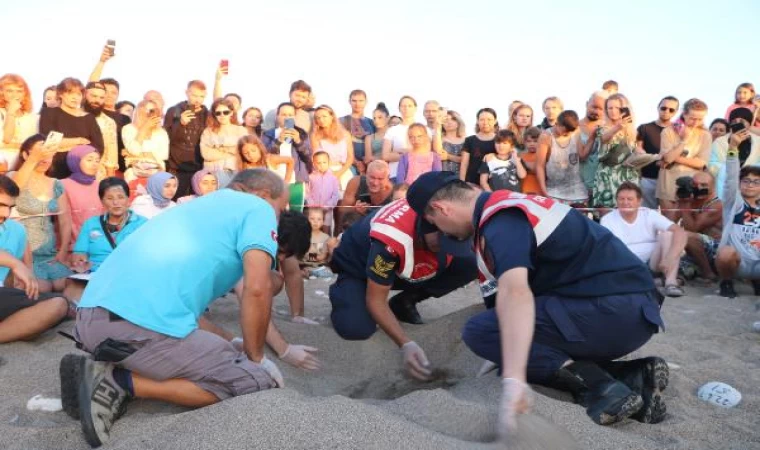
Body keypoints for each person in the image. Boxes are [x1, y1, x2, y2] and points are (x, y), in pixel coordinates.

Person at [59, 170, 314, 447]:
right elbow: (257, 288)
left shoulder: (193, 210)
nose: (279, 215)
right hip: (133, 326)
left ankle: (114, 367)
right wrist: (256, 357)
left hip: (92, 319)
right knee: (253, 379)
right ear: (264, 195)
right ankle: (119, 381)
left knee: (224, 351)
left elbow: (185, 316)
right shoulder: (257, 207)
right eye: (281, 207)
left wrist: (233, 341)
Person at [407, 172, 668, 433]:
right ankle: (631, 376)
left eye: (435, 224)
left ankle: (599, 387)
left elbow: (516, 293)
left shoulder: (500, 220)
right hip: (637, 312)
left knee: (480, 331)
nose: (442, 233)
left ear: (441, 209)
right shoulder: (512, 203)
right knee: (507, 342)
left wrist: (514, 378)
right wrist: (502, 352)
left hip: (613, 310)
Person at [328, 195, 478, 377]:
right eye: (443, 239)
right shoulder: (390, 240)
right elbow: (376, 300)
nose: (446, 244)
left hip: (404, 262)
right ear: (429, 223)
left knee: (469, 263)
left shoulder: (445, 216)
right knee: (355, 327)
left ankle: (405, 301)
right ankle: (344, 292)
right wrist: (406, 343)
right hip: (359, 268)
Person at [0, 175, 69, 343]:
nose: (6, 213)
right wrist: (14, 263)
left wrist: (21, 283)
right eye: (1, 205)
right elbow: (15, 264)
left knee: (58, 304)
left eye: (10, 207)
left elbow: (23, 274)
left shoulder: (16, 230)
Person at [64, 177, 148, 302]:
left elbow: (148, 256)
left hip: (129, 275)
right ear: (102, 201)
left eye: (120, 197)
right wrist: (79, 261)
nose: (116, 202)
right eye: (110, 198)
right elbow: (79, 253)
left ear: (128, 199)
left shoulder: (142, 224)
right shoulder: (91, 224)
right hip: (95, 275)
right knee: (70, 292)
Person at [601, 182, 687, 296]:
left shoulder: (649, 214)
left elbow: (680, 231)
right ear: (616, 201)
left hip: (653, 263)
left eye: (630, 199)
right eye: (621, 199)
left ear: (639, 201)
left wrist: (670, 257)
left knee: (668, 234)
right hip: (626, 266)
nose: (625, 202)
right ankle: (651, 282)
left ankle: (670, 283)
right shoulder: (607, 219)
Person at [11, 135, 73, 292]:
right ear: (26, 155)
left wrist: (63, 250)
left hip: (50, 255)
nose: (46, 158)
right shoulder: (13, 177)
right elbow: (14, 188)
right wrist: (34, 158)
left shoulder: (56, 184)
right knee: (41, 289)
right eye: (41, 153)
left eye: (50, 154)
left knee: (68, 284)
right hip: (23, 255)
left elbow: (65, 220)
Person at [714, 134, 760, 298]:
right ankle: (726, 281)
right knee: (725, 253)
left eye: (756, 182)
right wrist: (733, 148)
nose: (750, 184)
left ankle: (757, 281)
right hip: (737, 262)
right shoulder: (734, 202)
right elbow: (731, 177)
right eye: (746, 181)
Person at [656, 99, 712, 221]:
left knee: (689, 225)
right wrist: (684, 141)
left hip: (692, 185)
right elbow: (668, 158)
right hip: (668, 183)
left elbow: (701, 163)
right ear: (684, 114)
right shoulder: (668, 131)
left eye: (700, 119)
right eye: (692, 118)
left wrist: (672, 157)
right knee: (668, 223)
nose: (696, 122)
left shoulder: (705, 135)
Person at [39, 78, 104, 179]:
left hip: (82, 169)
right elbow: (48, 142)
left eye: (78, 94)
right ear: (60, 94)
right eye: (70, 93)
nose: (75, 98)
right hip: (56, 168)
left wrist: (63, 145)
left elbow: (98, 147)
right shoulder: (49, 113)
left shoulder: (89, 118)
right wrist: (78, 141)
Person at [592, 94, 641, 208]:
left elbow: (634, 151)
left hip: (628, 177)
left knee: (628, 216)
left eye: (617, 108)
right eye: (610, 108)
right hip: (607, 178)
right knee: (605, 220)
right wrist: (618, 127)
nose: (613, 111)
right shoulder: (602, 128)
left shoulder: (632, 131)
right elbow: (603, 139)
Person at [164, 80, 208, 199]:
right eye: (194, 95)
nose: (197, 99)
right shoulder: (174, 111)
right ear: (187, 93)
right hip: (176, 168)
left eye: (202, 96)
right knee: (175, 203)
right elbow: (165, 138)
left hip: (199, 169)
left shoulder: (207, 115)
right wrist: (180, 124)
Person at [635, 97, 679, 209]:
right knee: (647, 215)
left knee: (668, 219)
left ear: (676, 112)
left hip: (670, 180)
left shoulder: (678, 131)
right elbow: (638, 148)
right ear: (658, 108)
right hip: (648, 178)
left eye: (671, 110)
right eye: (663, 108)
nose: (666, 111)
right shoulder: (644, 128)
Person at [536, 110, 588, 205]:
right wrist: (544, 192)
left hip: (577, 191)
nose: (565, 134)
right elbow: (540, 165)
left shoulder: (576, 132)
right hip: (553, 191)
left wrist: (592, 138)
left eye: (568, 133)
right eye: (564, 132)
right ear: (557, 124)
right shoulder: (546, 136)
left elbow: (582, 155)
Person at [679, 171, 723, 281]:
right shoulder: (692, 200)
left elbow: (692, 229)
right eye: (695, 185)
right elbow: (668, 222)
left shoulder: (716, 205)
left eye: (704, 185)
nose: (698, 188)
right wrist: (680, 198)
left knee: (687, 235)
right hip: (696, 251)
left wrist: (685, 206)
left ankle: (708, 273)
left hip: (718, 250)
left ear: (713, 187)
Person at [709, 107, 760, 199]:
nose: (737, 123)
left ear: (749, 124)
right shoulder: (720, 142)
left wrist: (748, 173)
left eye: (742, 120)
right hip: (727, 185)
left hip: (752, 186)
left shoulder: (758, 142)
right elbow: (713, 163)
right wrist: (732, 172)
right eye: (734, 121)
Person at [200, 99, 248, 187]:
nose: (222, 115)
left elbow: (243, 151)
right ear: (214, 115)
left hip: (235, 173)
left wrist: (218, 148)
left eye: (225, 112)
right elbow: (206, 154)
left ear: (231, 112)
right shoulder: (208, 131)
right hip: (213, 175)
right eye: (218, 113)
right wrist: (231, 151)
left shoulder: (241, 130)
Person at [61, 145, 104, 243]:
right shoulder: (63, 185)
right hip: (74, 247)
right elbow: (63, 221)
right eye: (89, 160)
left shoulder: (100, 185)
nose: (94, 164)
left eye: (97, 161)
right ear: (75, 161)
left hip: (98, 244)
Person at [261, 102, 312, 183]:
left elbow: (308, 157)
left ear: (294, 117)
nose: (287, 117)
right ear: (277, 116)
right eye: (283, 114)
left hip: (297, 179)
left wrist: (298, 141)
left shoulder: (302, 133)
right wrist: (278, 141)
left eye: (290, 115)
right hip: (273, 179)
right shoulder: (268, 134)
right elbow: (263, 156)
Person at [121, 99, 168, 183]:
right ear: (140, 111)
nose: (150, 114)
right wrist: (144, 129)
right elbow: (134, 150)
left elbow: (163, 155)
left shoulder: (161, 132)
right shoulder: (128, 129)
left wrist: (140, 154)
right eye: (149, 110)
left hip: (156, 173)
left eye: (154, 110)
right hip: (134, 174)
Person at [0, 74, 39, 172]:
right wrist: (11, 113)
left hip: (24, 164)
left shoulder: (31, 117)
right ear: (2, 93)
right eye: (9, 91)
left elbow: (32, 144)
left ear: (25, 93)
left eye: (19, 91)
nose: (15, 95)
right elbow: (7, 138)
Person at [311, 105, 354, 191]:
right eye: (318, 118)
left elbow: (350, 157)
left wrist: (339, 173)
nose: (321, 120)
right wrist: (329, 174)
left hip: (343, 170)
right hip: (324, 171)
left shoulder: (345, 134)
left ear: (332, 117)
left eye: (324, 116)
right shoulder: (315, 136)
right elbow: (315, 158)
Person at [83, 82, 118, 177]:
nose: (97, 100)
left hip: (98, 173)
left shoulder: (109, 122)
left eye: (101, 98)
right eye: (93, 96)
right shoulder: (73, 116)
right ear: (84, 95)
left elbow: (111, 154)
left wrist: (110, 180)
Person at [381, 96, 419, 181]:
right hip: (395, 174)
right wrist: (413, 152)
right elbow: (385, 156)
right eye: (403, 106)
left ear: (415, 108)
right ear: (399, 108)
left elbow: (427, 153)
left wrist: (401, 153)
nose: (406, 108)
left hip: (419, 175)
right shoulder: (392, 130)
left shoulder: (424, 129)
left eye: (409, 106)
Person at [578, 91, 608, 195]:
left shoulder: (608, 129)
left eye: (601, 109)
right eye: (594, 107)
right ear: (587, 104)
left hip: (602, 186)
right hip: (577, 185)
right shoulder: (575, 127)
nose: (596, 111)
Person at [460, 108, 498, 184]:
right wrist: (462, 183)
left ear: (495, 121)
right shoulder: (470, 140)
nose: (485, 122)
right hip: (472, 182)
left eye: (489, 119)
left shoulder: (500, 140)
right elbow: (464, 164)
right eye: (482, 119)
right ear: (477, 121)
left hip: (495, 182)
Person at [340, 90, 374, 174]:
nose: (357, 104)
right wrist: (356, 163)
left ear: (366, 102)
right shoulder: (341, 121)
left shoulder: (372, 122)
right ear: (349, 102)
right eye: (354, 101)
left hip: (369, 166)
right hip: (348, 165)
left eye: (361, 101)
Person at [306, 151, 340, 232]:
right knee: (313, 229)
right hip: (314, 209)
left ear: (329, 163)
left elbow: (335, 195)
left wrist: (326, 207)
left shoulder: (333, 178)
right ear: (314, 164)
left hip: (327, 210)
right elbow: (307, 193)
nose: (322, 165)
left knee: (326, 229)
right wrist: (313, 205)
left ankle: (326, 244)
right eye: (319, 163)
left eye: (324, 162)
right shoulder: (310, 177)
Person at [300, 208, 336, 275]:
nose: (315, 222)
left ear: (323, 222)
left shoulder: (325, 237)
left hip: (321, 266)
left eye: (319, 219)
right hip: (305, 266)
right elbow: (301, 254)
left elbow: (323, 256)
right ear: (307, 220)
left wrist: (309, 256)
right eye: (312, 219)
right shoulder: (303, 236)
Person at [440, 110, 466, 175]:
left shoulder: (466, 140)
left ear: (458, 121)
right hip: (443, 179)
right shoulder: (439, 140)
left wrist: (448, 156)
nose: (449, 122)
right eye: (446, 120)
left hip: (462, 179)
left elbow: (467, 161)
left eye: (453, 119)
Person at [520, 127, 541, 195]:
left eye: (535, 141)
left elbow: (539, 170)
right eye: (529, 141)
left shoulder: (542, 155)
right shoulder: (521, 155)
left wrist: (524, 163)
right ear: (524, 142)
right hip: (523, 190)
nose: (532, 144)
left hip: (538, 191)